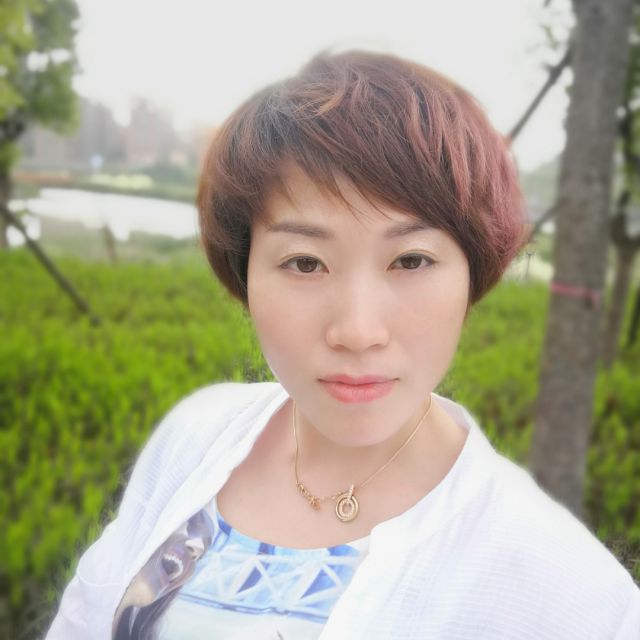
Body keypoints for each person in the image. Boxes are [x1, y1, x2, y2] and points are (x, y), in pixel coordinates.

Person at [46, 49, 640, 640]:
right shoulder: (196, 435)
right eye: (305, 262)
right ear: (245, 271)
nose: (357, 331)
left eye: (411, 260)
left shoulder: (572, 596)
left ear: (473, 272)